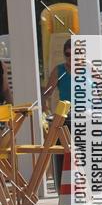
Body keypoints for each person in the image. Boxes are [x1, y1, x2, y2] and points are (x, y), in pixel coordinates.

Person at [43, 39, 73, 187]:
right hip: (66, 116)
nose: (70, 57)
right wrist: (43, 105)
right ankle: (63, 183)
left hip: (85, 115)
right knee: (62, 149)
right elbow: (47, 92)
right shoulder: (59, 70)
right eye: (67, 54)